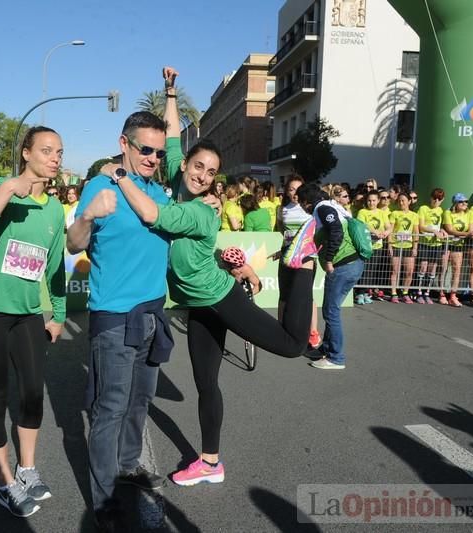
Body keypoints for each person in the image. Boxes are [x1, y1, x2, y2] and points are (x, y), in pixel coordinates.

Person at [95, 136, 315, 488]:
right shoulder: (180, 187)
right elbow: (171, 140)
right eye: (198, 166)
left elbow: (151, 214)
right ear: (183, 165)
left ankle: (302, 264)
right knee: (206, 384)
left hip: (219, 297)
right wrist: (170, 90)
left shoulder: (199, 210)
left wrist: (119, 174)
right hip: (199, 306)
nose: (203, 175)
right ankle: (210, 463)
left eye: (211, 172)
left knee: (291, 345)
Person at [67, 110, 173, 530]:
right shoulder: (100, 185)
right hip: (113, 317)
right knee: (109, 409)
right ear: (124, 143)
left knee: (140, 400)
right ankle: (104, 498)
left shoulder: (155, 191)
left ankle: (129, 466)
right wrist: (88, 215)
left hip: (152, 313)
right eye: (144, 148)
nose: (152, 158)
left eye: (158, 152)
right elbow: (75, 243)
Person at [0, 126, 66, 518]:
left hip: (27, 316)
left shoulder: (55, 209)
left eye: (59, 151)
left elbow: (55, 268)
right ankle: (6, 483)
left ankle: (28, 469)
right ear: (25, 153)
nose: (55, 157)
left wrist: (59, 313)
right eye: (46, 150)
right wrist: (8, 190)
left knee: (33, 395)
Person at [295, 183, 363, 370]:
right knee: (332, 309)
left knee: (331, 312)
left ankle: (336, 358)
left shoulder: (322, 208)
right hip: (353, 264)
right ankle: (326, 348)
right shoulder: (330, 206)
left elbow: (336, 231)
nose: (301, 207)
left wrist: (329, 259)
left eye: (300, 203)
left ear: (306, 202)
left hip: (343, 265)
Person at [275, 175, 321, 348]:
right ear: (286, 191)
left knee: (307, 296)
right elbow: (283, 231)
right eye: (291, 189)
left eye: (298, 189)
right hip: (287, 256)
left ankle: (313, 332)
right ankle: (281, 330)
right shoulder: (282, 209)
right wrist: (284, 250)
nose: (295, 193)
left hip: (307, 258)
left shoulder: (311, 210)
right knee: (284, 295)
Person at [356, 189, 391, 304]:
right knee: (363, 269)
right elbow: (362, 224)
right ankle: (359, 293)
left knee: (372, 270)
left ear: (378, 201)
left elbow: (388, 226)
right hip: (365, 245)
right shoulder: (362, 212)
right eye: (369, 200)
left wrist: (386, 232)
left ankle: (366, 292)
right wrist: (375, 231)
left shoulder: (381, 213)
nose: (371, 203)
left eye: (374, 200)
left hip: (377, 245)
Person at [414, 188, 448, 304]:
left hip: (436, 243)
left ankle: (427, 293)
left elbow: (441, 226)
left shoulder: (441, 211)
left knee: (432, 269)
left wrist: (442, 231)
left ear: (442, 200)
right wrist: (434, 231)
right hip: (425, 242)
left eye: (439, 199)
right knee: (423, 267)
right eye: (434, 198)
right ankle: (418, 292)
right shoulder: (423, 209)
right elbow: (421, 226)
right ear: (431, 197)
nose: (436, 201)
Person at [442, 193, 473, 307]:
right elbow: (450, 230)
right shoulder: (448, 212)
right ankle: (441, 294)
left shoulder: (469, 213)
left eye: (466, 202)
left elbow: (471, 229)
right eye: (462, 202)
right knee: (443, 268)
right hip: (446, 244)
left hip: (458, 245)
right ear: (455, 203)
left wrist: (467, 234)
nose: (465, 204)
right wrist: (466, 234)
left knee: (457, 270)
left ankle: (453, 295)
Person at [388, 192, 419, 303]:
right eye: (399, 201)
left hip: (408, 246)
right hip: (396, 245)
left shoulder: (414, 215)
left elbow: (416, 232)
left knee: (409, 271)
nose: (401, 203)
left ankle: (405, 292)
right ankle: (393, 293)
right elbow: (390, 230)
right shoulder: (394, 213)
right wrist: (390, 245)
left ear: (409, 202)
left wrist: (415, 247)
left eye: (403, 200)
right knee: (395, 270)